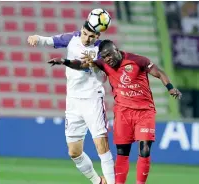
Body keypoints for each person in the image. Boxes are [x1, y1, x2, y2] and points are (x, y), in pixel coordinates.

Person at [48, 39, 182, 184]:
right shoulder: (103, 64)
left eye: (109, 55)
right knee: (122, 153)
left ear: (116, 50)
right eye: (104, 57)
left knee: (144, 149)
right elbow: (81, 65)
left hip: (144, 112)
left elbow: (159, 72)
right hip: (123, 113)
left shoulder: (137, 60)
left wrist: (170, 87)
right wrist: (64, 61)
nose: (107, 59)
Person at [27, 22, 115, 184]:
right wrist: (36, 38)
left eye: (91, 36)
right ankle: (98, 182)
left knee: (101, 147)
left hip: (92, 100)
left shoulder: (102, 50)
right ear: (81, 31)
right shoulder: (73, 38)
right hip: (73, 102)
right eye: (84, 34)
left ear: (98, 36)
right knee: (74, 152)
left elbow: (83, 66)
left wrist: (65, 61)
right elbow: (51, 40)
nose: (86, 38)